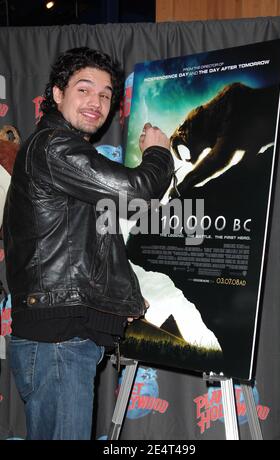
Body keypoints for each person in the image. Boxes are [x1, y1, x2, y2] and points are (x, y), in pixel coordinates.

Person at [3, 47, 174, 440]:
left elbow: (88, 239)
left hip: (61, 339)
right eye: (84, 89)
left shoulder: (63, 150)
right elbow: (136, 192)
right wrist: (158, 154)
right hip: (58, 343)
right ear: (57, 94)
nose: (96, 102)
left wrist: (121, 301)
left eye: (105, 94)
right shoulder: (54, 147)